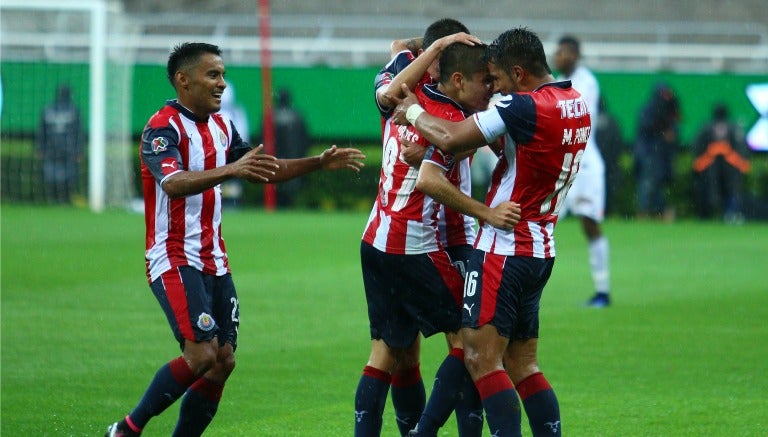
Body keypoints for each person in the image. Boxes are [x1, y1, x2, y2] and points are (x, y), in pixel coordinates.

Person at [104, 42, 365, 437]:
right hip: (174, 257)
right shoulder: (162, 127)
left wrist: (318, 163)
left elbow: (262, 169)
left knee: (223, 360)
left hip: (214, 259)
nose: (222, 83)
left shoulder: (223, 125)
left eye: (223, 75)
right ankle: (126, 429)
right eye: (213, 75)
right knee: (201, 354)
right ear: (183, 79)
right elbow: (173, 184)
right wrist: (231, 170)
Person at [390, 26, 592, 437]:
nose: (493, 88)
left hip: (504, 247)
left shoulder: (523, 107)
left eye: (496, 78)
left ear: (518, 74)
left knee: (480, 358)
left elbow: (448, 135)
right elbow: (525, 151)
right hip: (540, 248)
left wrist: (410, 109)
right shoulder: (574, 102)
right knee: (522, 364)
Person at [355, 19, 518, 437]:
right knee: (469, 345)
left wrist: (440, 43)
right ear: (456, 76)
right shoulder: (446, 115)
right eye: (485, 80)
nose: (492, 89)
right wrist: (488, 212)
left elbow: (397, 46)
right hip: (427, 240)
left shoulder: (403, 80)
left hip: (376, 238)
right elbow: (434, 171)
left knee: (394, 353)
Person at [553, 35, 611, 308]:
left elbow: (573, 116)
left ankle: (602, 290)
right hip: (563, 165)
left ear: (575, 54)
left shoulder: (586, 82)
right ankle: (528, 288)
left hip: (585, 165)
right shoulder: (555, 81)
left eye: (563, 52)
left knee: (590, 225)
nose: (558, 56)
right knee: (543, 224)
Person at [692, 102, 751, 223]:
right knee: (731, 189)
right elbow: (743, 148)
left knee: (718, 189)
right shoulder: (733, 127)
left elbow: (696, 146)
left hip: (717, 168)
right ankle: (729, 213)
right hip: (722, 168)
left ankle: (716, 213)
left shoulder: (707, 127)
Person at [634, 82, 681, 221]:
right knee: (648, 182)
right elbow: (647, 128)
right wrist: (663, 132)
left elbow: (675, 127)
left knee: (656, 183)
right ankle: (645, 211)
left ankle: (659, 211)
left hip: (659, 154)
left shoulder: (669, 109)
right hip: (648, 152)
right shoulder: (649, 110)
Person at [36, 84, 84, 203]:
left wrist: (40, 148)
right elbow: (79, 132)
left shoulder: (47, 110)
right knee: (68, 177)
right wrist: (79, 150)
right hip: (69, 151)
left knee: (51, 176)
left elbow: (41, 132)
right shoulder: (74, 111)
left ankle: (54, 199)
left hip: (51, 150)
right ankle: (64, 199)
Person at [272, 87, 310, 207]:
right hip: (294, 160)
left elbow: (263, 139)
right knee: (291, 188)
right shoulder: (297, 116)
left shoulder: (272, 116)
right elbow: (305, 139)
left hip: (276, 160)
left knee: (278, 187)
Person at [217, 81, 250, 206]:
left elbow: (242, 131)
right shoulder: (235, 111)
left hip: (230, 150)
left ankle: (231, 201)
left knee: (231, 179)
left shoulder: (236, 111)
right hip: (223, 151)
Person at [594, 96, 625, 216]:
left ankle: (594, 212)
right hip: (610, 164)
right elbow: (618, 144)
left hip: (593, 164)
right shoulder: (612, 121)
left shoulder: (588, 120)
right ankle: (606, 211)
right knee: (607, 189)